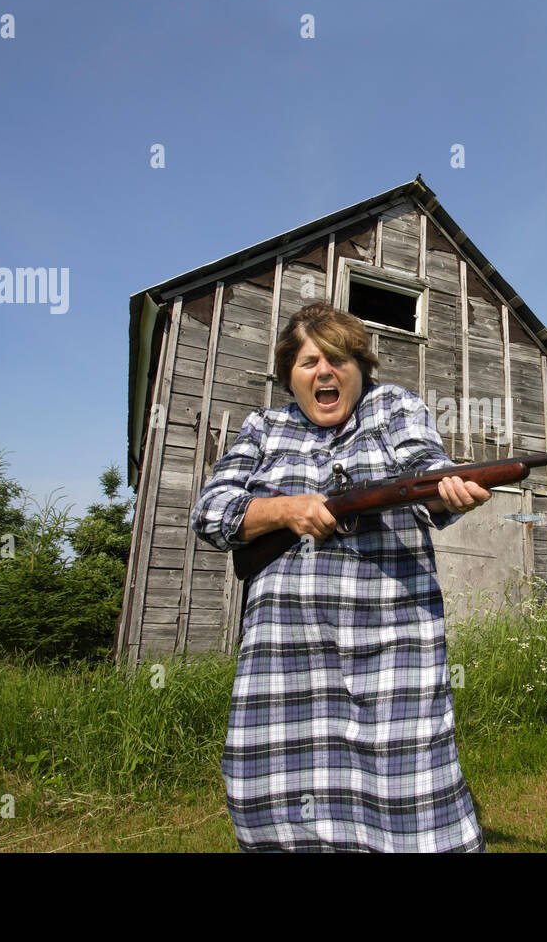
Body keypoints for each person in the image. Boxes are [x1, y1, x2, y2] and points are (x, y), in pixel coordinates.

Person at [190, 301, 491, 852]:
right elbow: (211, 513)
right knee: (274, 788)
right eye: (309, 362)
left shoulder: (393, 406)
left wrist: (448, 488)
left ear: (359, 368)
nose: (324, 371)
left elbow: (425, 474)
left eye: (337, 359)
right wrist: (286, 511)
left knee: (406, 785)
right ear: (290, 374)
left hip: (392, 640)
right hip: (285, 650)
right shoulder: (263, 427)